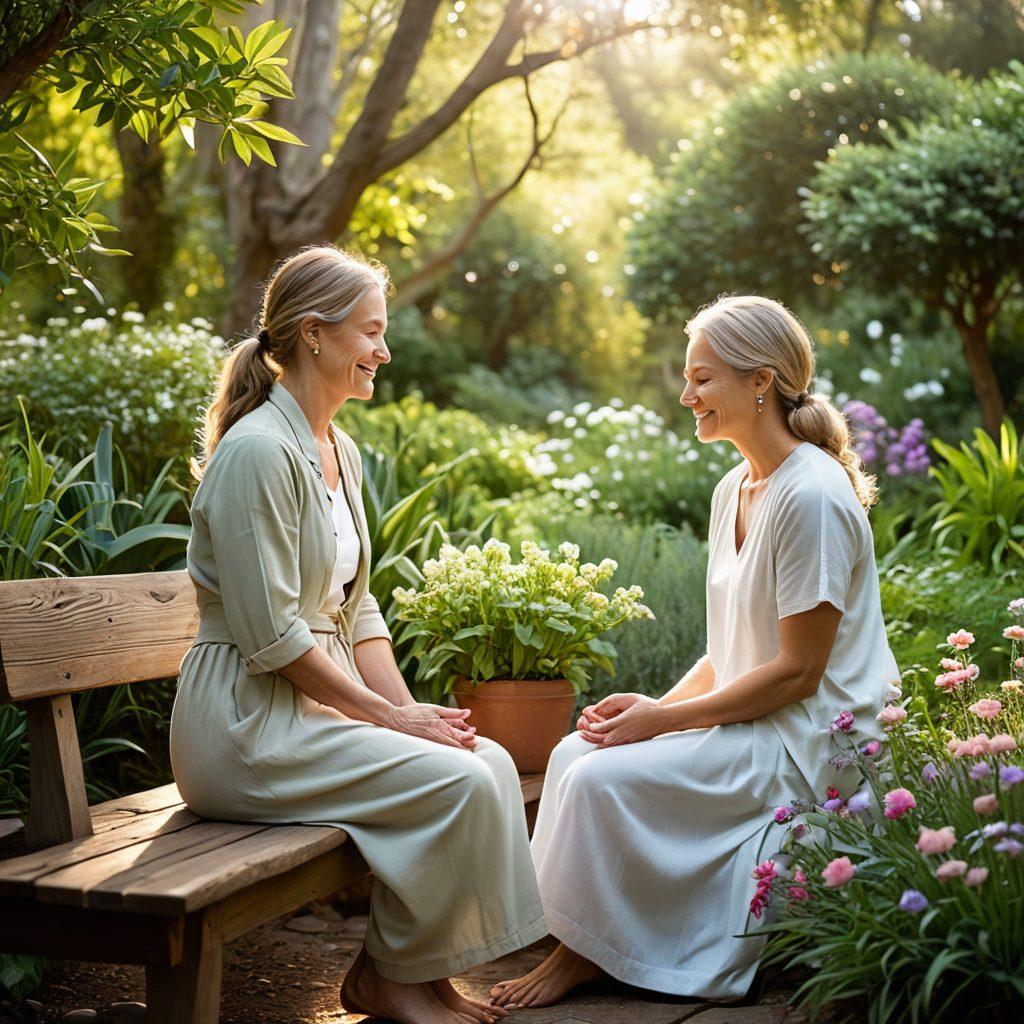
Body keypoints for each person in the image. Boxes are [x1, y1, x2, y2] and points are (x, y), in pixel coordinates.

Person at [170, 244, 546, 1024]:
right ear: (314, 333)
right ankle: (391, 979)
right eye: (370, 332)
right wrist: (389, 721)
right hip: (244, 726)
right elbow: (271, 636)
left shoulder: (338, 448)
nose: (383, 350)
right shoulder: (256, 454)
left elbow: (358, 612)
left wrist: (419, 720)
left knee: (481, 760)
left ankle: (418, 975)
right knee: (459, 781)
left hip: (314, 713)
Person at [491, 294, 899, 1008]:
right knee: (575, 755)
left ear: (760, 381)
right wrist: (655, 707)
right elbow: (728, 652)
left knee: (595, 781)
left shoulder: (812, 497)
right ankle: (581, 933)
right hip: (755, 718)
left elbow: (801, 675)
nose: (687, 395)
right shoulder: (732, 487)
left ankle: (578, 954)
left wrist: (666, 725)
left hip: (813, 742)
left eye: (702, 378)